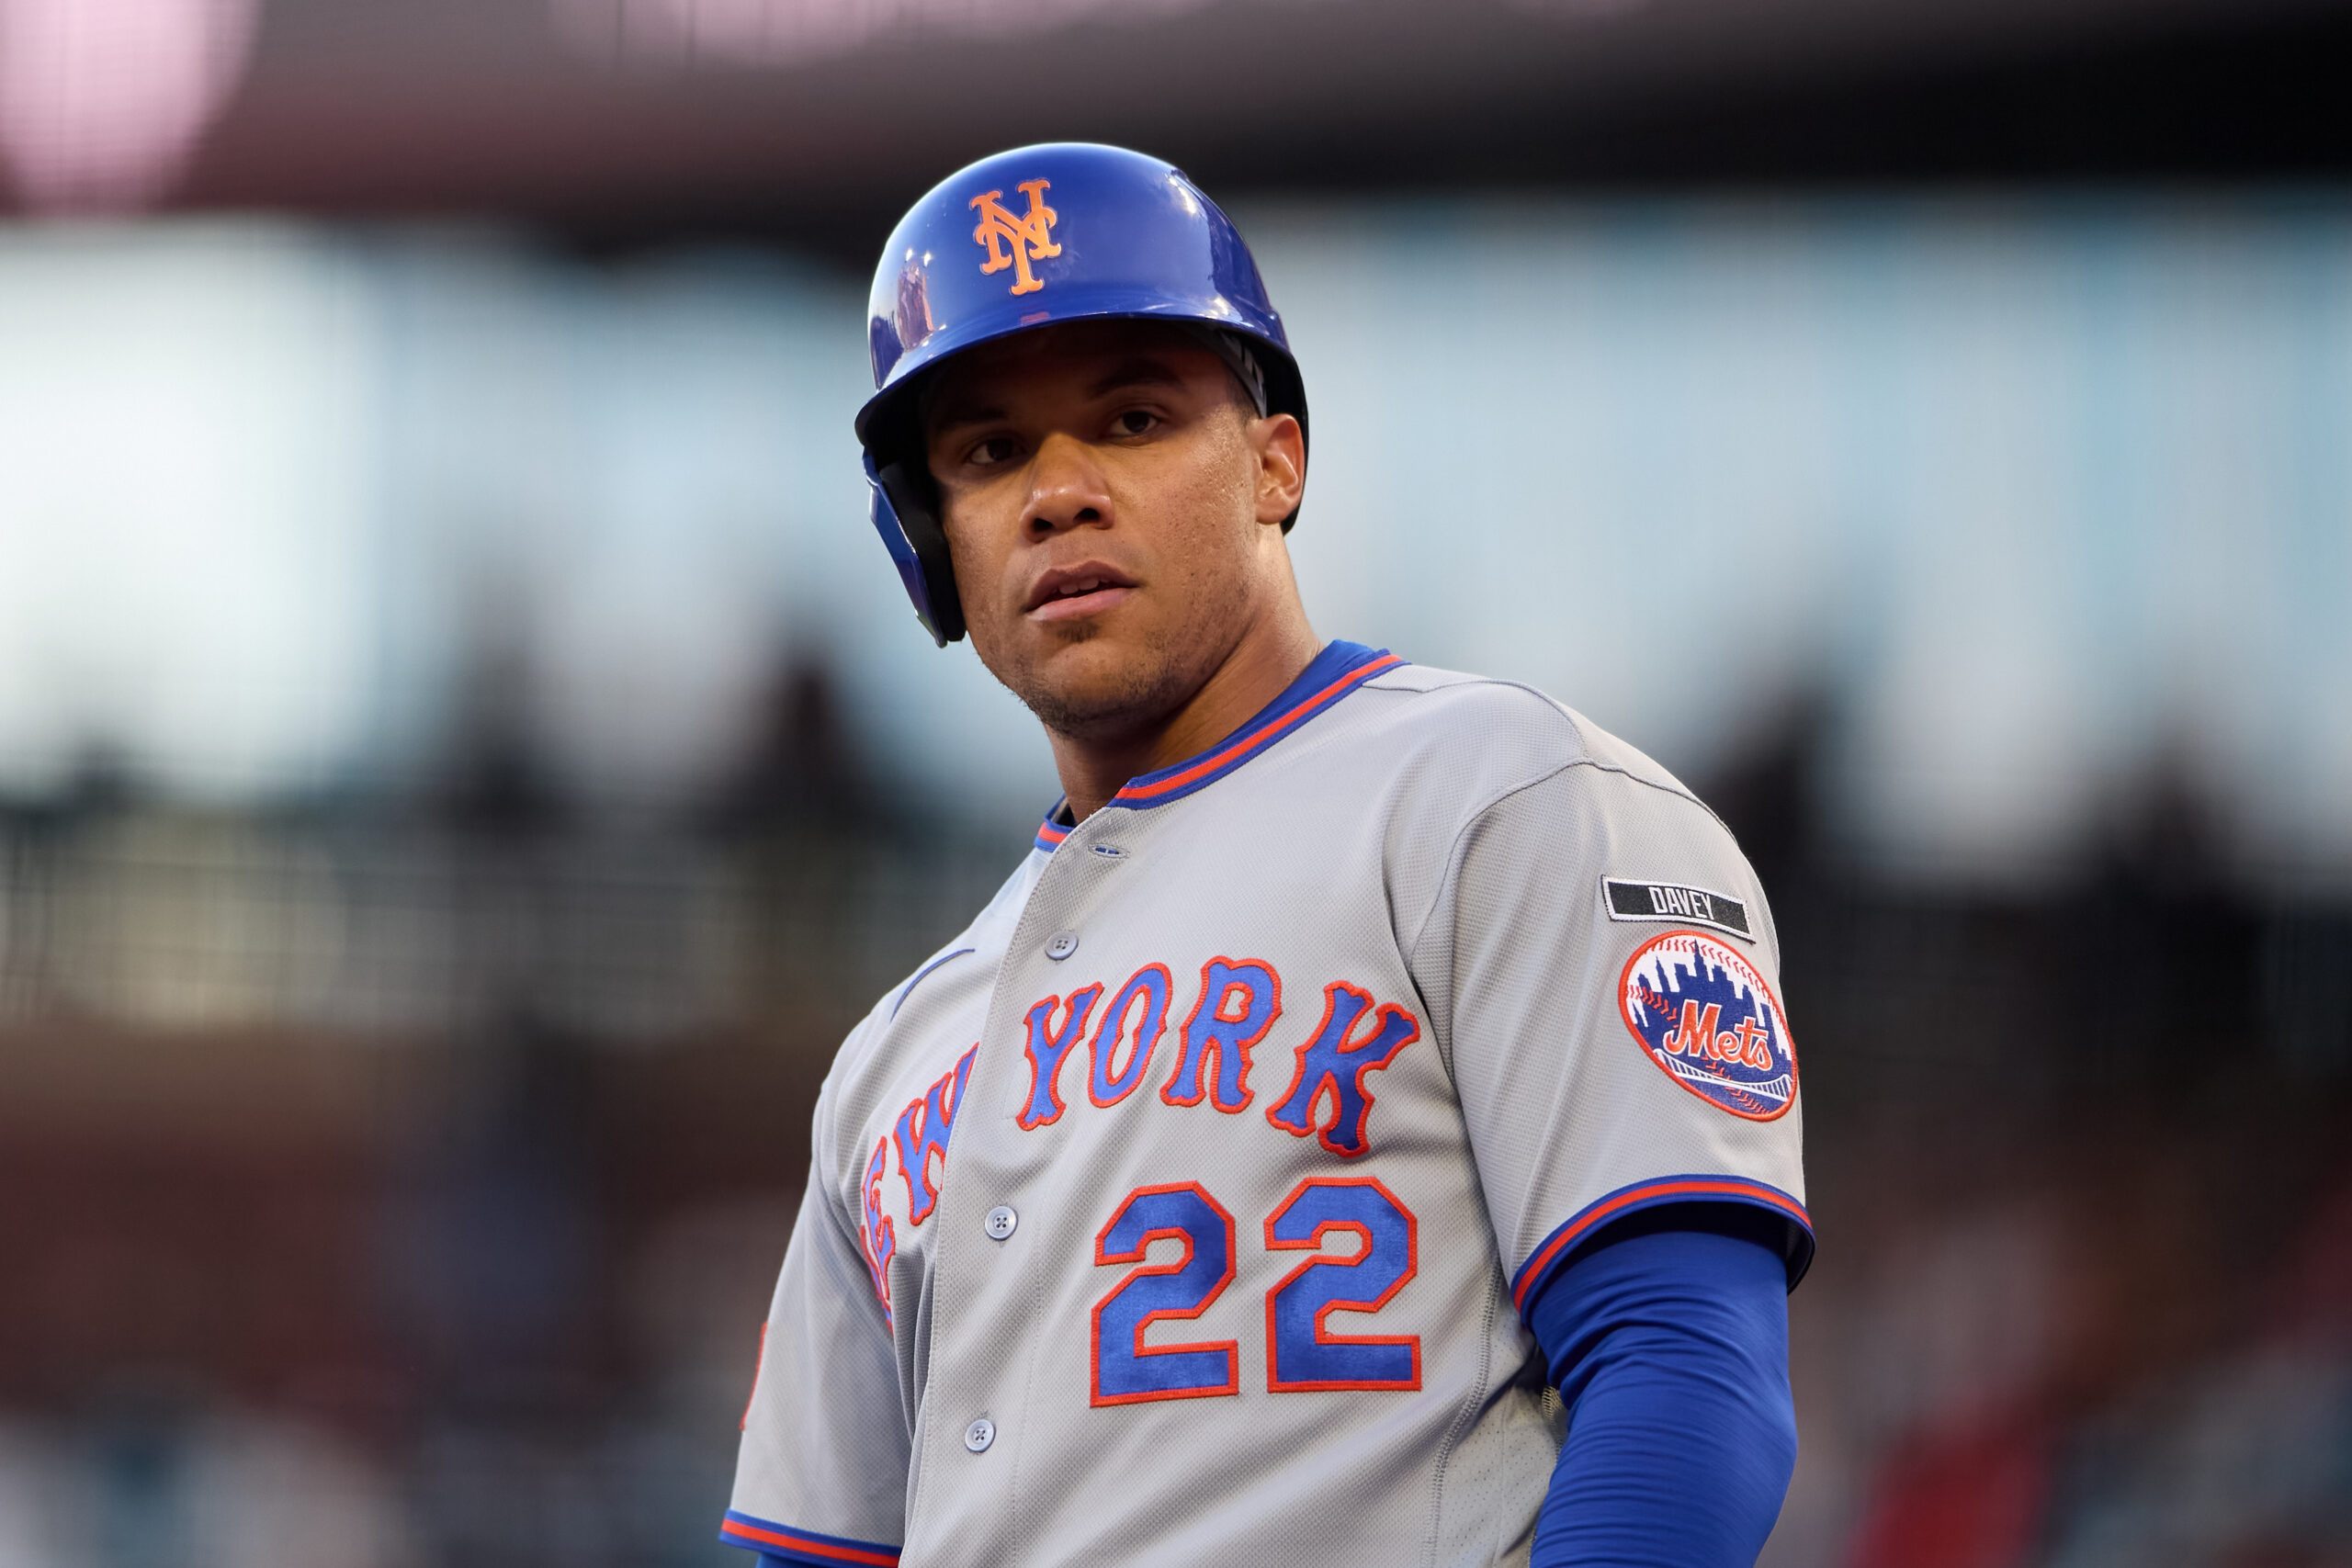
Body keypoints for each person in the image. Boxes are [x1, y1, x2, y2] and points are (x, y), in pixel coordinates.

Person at [720, 142, 1811, 1568]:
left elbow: (1685, 1370)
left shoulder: (1504, 798)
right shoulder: (893, 1057)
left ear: (1274, 462)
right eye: (990, 453)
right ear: (931, 546)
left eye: (1131, 419)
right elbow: (814, 1554)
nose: (1059, 492)